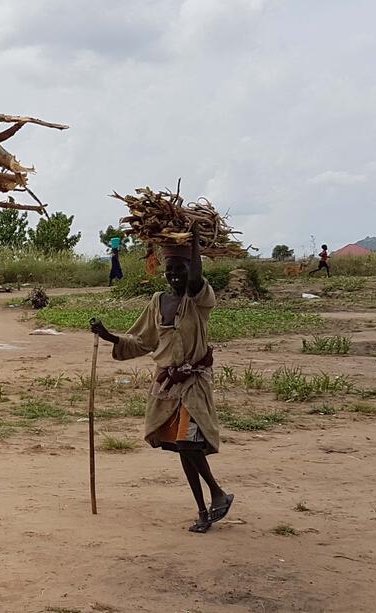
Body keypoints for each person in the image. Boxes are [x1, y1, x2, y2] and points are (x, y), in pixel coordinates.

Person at [90, 227, 233, 533]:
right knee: (182, 447)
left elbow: (195, 279)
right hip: (167, 384)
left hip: (194, 381)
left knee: (186, 441)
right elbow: (142, 341)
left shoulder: (199, 299)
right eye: (170, 270)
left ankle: (218, 493)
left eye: (180, 269)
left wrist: (194, 240)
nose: (175, 276)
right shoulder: (158, 301)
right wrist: (108, 336)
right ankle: (203, 508)